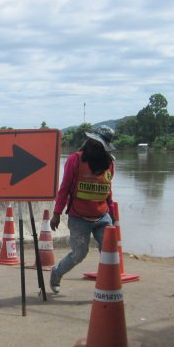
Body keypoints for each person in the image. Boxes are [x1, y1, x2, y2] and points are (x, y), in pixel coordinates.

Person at [49, 125, 117, 294]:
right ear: (90, 143)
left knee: (110, 251)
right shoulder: (75, 160)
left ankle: (107, 288)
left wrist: (112, 215)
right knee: (79, 254)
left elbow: (108, 190)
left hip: (102, 216)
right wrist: (56, 214)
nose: (97, 147)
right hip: (79, 216)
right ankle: (56, 273)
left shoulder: (109, 163)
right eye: (94, 143)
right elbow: (64, 189)